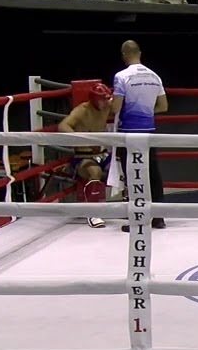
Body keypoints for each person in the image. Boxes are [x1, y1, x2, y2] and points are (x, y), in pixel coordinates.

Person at [112, 40, 168, 231]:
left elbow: (116, 107)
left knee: (133, 173)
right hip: (149, 131)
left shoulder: (121, 76)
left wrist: (110, 104)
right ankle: (158, 218)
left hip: (129, 133)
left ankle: (137, 218)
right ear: (140, 53)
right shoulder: (154, 76)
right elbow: (163, 106)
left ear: (124, 55)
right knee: (153, 173)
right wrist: (146, 113)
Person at [59, 83, 115, 228]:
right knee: (94, 172)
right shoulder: (82, 111)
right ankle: (93, 213)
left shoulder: (107, 106)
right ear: (94, 99)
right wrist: (85, 141)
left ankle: (129, 208)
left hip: (104, 154)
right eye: (102, 99)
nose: (105, 102)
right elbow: (63, 126)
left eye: (107, 99)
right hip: (84, 156)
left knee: (126, 167)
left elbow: (119, 107)